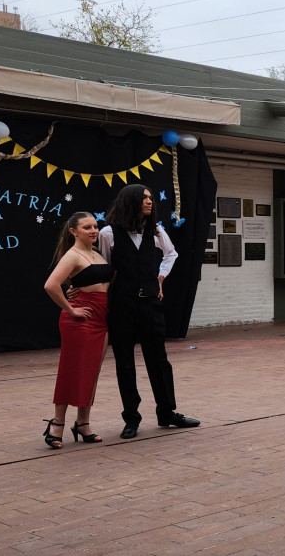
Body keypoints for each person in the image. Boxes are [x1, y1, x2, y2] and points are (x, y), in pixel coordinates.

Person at [100, 184, 199, 439]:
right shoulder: (109, 233)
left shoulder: (155, 231)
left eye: (151, 198)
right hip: (122, 304)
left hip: (150, 303)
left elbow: (171, 254)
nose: (149, 201)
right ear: (130, 201)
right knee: (125, 361)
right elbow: (104, 268)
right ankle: (131, 418)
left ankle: (167, 412)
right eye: (144, 198)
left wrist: (160, 279)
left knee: (159, 359)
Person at [42, 212, 113, 449]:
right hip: (80, 321)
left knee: (91, 372)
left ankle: (83, 423)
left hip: (101, 320)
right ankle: (57, 422)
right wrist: (72, 310)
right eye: (87, 227)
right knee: (71, 371)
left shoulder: (99, 255)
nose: (94, 230)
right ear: (73, 231)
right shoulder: (72, 256)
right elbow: (51, 285)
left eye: (95, 226)